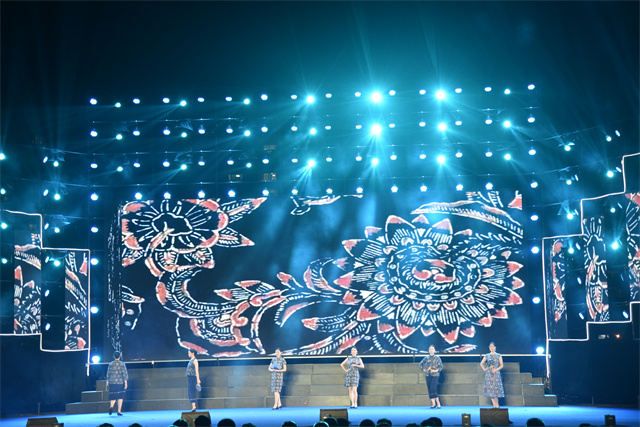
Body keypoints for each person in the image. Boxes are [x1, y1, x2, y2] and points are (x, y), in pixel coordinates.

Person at [480, 342, 505, 408]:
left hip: (496, 374)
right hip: (489, 374)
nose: (491, 348)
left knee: (495, 389)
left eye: (493, 346)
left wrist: (496, 369)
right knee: (490, 389)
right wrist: (485, 369)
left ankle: (497, 404)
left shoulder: (498, 355)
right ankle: (494, 405)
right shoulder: (487, 355)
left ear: (495, 347)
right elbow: (481, 363)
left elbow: (502, 365)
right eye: (490, 346)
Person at [106, 350, 128, 416]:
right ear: (120, 356)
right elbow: (125, 374)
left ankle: (111, 406)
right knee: (120, 397)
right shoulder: (122, 364)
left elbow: (108, 373)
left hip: (112, 382)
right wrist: (126, 383)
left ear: (114, 356)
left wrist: (107, 381)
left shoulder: (111, 364)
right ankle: (119, 411)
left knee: (113, 396)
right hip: (120, 382)